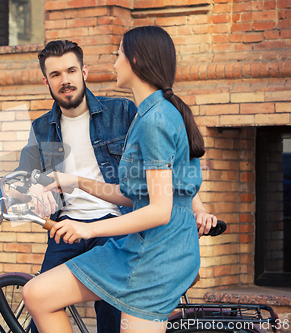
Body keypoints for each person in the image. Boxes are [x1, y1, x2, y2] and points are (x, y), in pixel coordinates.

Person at [22, 26, 215, 333]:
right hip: (143, 243)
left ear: (136, 61)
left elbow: (160, 208)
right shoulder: (149, 115)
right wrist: (74, 181)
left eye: (119, 54)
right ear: (46, 81)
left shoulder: (151, 118)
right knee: (36, 292)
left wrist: (87, 228)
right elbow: (137, 194)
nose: (114, 63)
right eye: (56, 74)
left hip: (156, 251)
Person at [17, 39, 138, 333]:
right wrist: (29, 195)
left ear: (84, 72)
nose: (65, 80)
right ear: (46, 80)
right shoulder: (41, 128)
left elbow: (157, 170)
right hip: (65, 229)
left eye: (71, 71)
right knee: (40, 306)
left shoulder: (121, 111)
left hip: (114, 226)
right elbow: (26, 181)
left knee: (112, 315)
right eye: (55, 74)